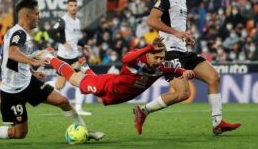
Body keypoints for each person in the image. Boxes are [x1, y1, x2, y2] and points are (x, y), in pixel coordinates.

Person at [0, 0, 104, 145]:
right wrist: (33, 61)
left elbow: (13, 60)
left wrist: (31, 71)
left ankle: (85, 131)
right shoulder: (19, 33)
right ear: (26, 16)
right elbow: (12, 53)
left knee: (63, 101)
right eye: (37, 14)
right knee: (19, 133)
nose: (39, 17)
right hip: (13, 91)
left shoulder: (20, 33)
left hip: (28, 82)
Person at [134, 0, 241, 135]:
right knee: (183, 93)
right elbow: (152, 21)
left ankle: (218, 123)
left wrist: (186, 36)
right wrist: (176, 33)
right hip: (169, 53)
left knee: (214, 77)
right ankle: (143, 111)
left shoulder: (183, 0)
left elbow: (178, 26)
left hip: (183, 50)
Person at [31, 37, 195, 107]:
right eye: (156, 57)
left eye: (162, 58)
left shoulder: (160, 67)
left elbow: (173, 68)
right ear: (148, 54)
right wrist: (149, 47)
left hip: (117, 95)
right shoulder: (137, 60)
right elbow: (125, 59)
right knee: (74, 79)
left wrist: (184, 71)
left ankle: (85, 67)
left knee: (100, 98)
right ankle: (49, 56)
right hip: (109, 85)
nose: (159, 61)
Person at [52, 0, 91, 116]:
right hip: (63, 57)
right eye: (71, 5)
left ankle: (78, 108)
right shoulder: (63, 20)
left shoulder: (77, 21)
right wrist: (63, 42)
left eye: (75, 5)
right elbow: (51, 32)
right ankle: (40, 88)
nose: (73, 7)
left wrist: (84, 45)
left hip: (75, 57)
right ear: (67, 7)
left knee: (82, 79)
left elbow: (75, 39)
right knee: (59, 85)